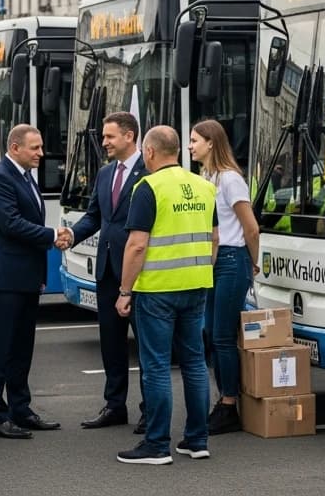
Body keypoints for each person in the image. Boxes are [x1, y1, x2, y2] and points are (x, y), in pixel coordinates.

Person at [115, 126, 218, 465]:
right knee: (195, 363)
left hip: (157, 289)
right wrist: (200, 270)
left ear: (149, 151)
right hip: (196, 285)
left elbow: (137, 244)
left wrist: (125, 290)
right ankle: (197, 440)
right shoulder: (204, 186)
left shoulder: (148, 187)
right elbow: (215, 239)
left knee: (157, 366)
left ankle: (157, 444)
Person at [62, 112, 147, 431]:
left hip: (139, 272)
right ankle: (114, 406)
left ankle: (150, 409)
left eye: (110, 136)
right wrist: (72, 235)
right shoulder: (105, 172)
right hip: (107, 271)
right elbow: (95, 216)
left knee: (146, 345)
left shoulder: (149, 171)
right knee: (111, 343)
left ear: (129, 136)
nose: (104, 142)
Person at [0, 124, 60, 439]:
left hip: (26, 277)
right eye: (35, 147)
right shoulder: (0, 178)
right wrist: (53, 235)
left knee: (22, 349)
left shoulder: (25, 176)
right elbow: (12, 225)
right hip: (5, 279)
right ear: (15, 148)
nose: (41, 153)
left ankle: (21, 409)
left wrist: (40, 275)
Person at [187, 119, 259, 435]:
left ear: (211, 143)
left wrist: (253, 262)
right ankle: (225, 398)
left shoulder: (230, 179)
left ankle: (229, 403)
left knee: (222, 336)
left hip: (232, 259)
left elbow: (251, 228)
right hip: (214, 261)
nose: (190, 146)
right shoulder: (206, 177)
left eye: (194, 140)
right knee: (210, 334)